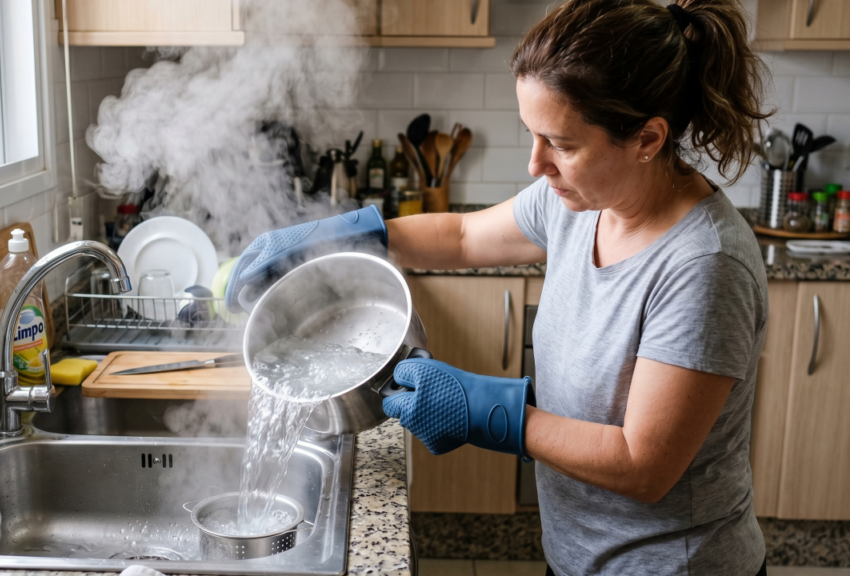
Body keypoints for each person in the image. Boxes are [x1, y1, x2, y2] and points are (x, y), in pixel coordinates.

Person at [226, 0, 772, 572]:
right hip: (577, 555)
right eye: (532, 134)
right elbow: (462, 235)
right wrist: (340, 236)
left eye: (560, 143)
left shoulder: (705, 266)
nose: (537, 164)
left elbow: (643, 466)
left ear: (647, 139)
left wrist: (486, 410)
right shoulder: (583, 200)